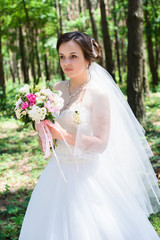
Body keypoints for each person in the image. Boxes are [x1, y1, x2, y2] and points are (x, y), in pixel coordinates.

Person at [19, 31, 160, 240]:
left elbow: (101, 143)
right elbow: (48, 146)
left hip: (89, 175)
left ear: (88, 57)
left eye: (73, 56)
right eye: (61, 56)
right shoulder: (56, 89)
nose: (66, 62)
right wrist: (43, 132)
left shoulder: (98, 93)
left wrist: (63, 134)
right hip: (57, 173)